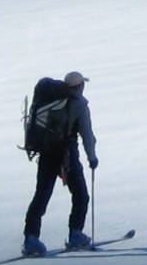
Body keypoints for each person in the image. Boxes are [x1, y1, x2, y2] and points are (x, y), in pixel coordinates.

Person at [23, 70, 97, 255]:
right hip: (66, 154)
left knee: (42, 195)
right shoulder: (80, 104)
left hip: (47, 151)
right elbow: (87, 134)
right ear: (80, 86)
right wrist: (92, 157)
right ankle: (75, 234)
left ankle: (31, 239)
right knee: (80, 195)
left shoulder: (50, 98)